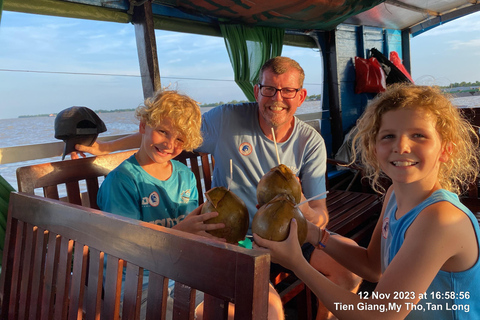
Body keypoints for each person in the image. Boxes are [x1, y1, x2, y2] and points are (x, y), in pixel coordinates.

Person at [76, 57, 361, 319]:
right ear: (256, 90)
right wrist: (105, 147)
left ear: (301, 96)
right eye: (269, 89)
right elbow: (167, 131)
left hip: (289, 238)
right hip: (240, 242)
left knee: (349, 269)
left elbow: (320, 213)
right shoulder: (226, 119)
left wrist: (307, 210)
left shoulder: (310, 141)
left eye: (287, 91)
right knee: (262, 305)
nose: (277, 98)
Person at [254, 83, 480, 319]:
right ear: (373, 149)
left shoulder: (441, 220)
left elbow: (378, 315)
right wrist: (311, 232)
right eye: (389, 136)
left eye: (419, 135)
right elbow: (373, 267)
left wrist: (297, 264)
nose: (401, 146)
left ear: (446, 150)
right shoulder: (394, 195)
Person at [97, 89, 226, 318]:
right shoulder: (123, 181)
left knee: (237, 302)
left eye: (179, 139)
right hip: (139, 287)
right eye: (163, 131)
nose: (169, 144)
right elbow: (126, 253)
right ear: (144, 126)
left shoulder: (185, 176)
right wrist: (178, 233)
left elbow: (193, 233)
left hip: (182, 276)